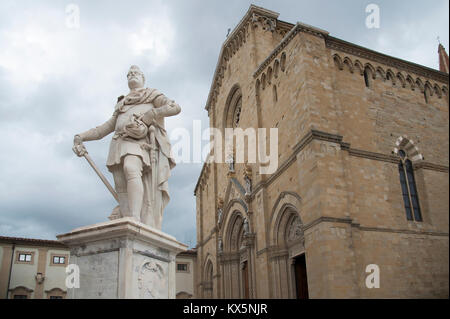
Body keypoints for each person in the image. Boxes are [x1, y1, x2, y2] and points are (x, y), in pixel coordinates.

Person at [73, 65, 180, 229]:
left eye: (136, 73)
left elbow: (174, 107)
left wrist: (152, 114)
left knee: (131, 168)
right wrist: (82, 136)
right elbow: (104, 129)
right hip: (118, 144)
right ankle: (128, 218)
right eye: (129, 74)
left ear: (143, 78)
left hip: (138, 143)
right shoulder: (122, 103)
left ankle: (136, 219)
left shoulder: (152, 95)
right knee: (121, 185)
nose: (132, 75)